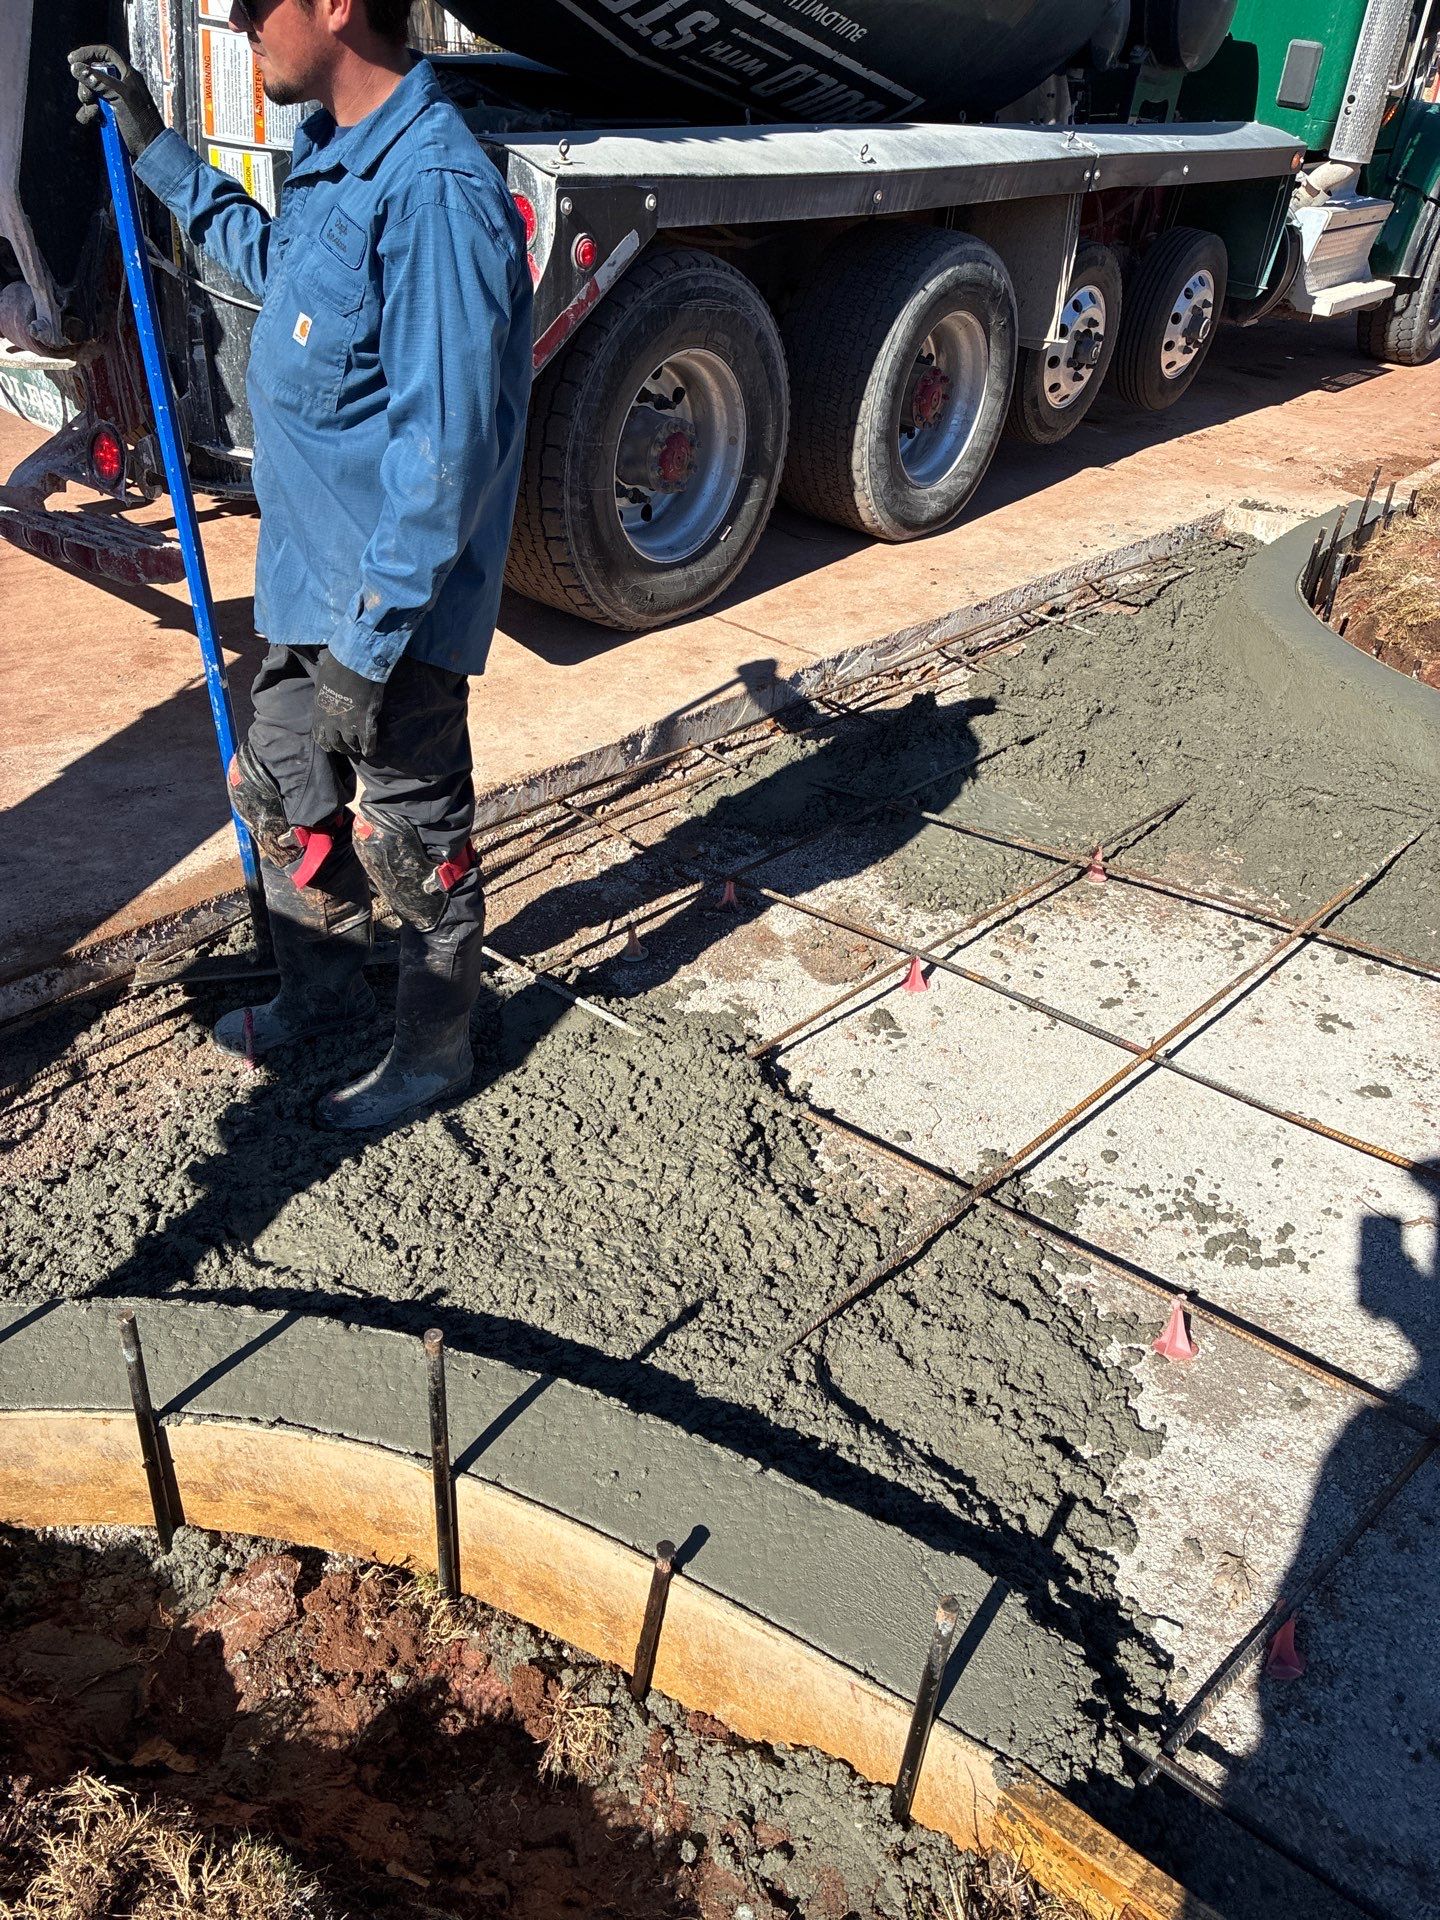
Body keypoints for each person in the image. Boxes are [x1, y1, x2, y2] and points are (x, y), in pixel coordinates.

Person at [69, 0, 533, 1129]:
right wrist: (153, 144)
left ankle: (433, 1051)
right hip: (304, 587)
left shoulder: (433, 190)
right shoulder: (332, 150)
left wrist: (369, 653)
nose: (231, 25)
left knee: (411, 843)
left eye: (248, 3)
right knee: (279, 793)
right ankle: (319, 996)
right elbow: (276, 268)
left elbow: (447, 448)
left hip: (389, 611)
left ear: (335, 6)